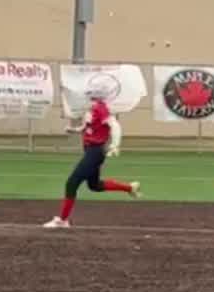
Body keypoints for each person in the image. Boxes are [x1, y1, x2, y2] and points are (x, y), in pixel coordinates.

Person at [44, 95, 141, 229]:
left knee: (72, 183)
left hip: (95, 152)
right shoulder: (91, 107)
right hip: (92, 151)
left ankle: (63, 220)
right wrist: (75, 130)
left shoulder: (100, 107)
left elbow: (115, 125)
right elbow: (89, 127)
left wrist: (115, 145)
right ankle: (130, 188)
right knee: (94, 185)